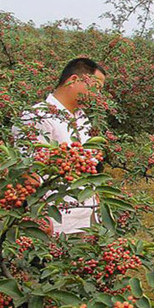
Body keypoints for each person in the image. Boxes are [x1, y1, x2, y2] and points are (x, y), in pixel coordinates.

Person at [15, 58, 107, 235]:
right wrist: (37, 214)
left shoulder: (83, 118)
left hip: (87, 218)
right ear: (73, 80)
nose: (98, 95)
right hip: (56, 222)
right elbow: (27, 171)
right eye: (95, 87)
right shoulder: (37, 117)